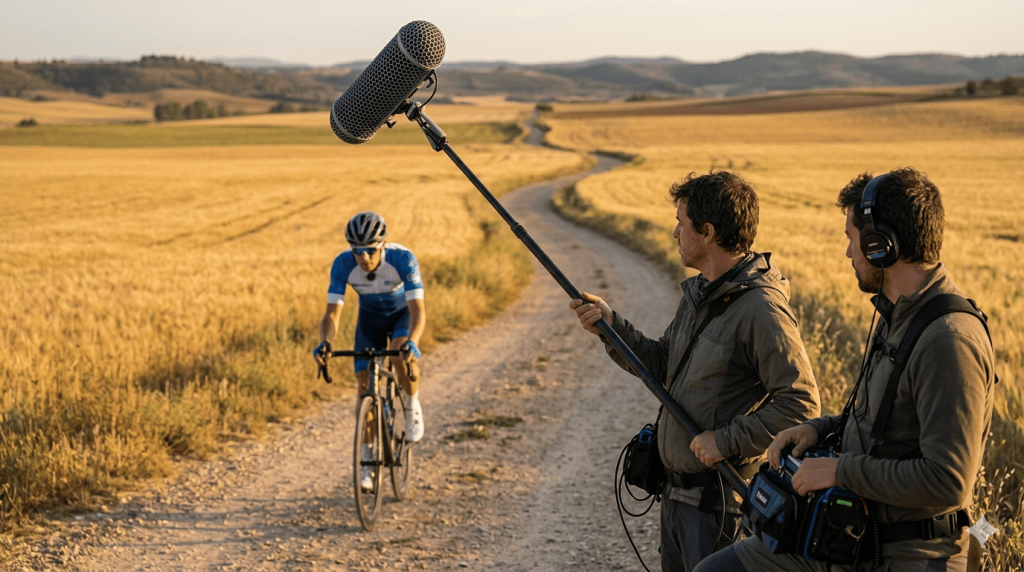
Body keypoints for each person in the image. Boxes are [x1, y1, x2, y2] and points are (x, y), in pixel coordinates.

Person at [694, 168, 997, 572]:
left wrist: (838, 470)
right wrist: (819, 429)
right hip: (853, 537)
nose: (847, 254)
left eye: (851, 240)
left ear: (879, 246)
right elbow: (882, 425)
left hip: (909, 555)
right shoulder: (899, 316)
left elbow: (948, 481)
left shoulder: (947, 340)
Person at [570, 171, 821, 572]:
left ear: (707, 232)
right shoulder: (700, 294)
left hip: (717, 508)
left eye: (681, 223)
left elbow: (801, 403)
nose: (674, 232)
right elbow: (664, 365)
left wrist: (724, 441)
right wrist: (611, 326)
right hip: (676, 499)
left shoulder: (761, 308)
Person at [313, 211, 427, 491]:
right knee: (364, 387)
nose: (363, 257)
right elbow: (332, 314)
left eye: (369, 251)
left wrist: (414, 340)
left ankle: (412, 407)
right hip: (370, 321)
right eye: (357, 251)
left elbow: (417, 311)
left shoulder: (402, 259)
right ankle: (366, 460)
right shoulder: (342, 264)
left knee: (400, 352)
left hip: (401, 315)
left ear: (382, 246)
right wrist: (326, 342)